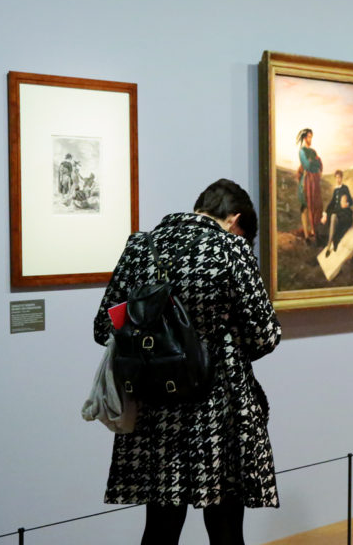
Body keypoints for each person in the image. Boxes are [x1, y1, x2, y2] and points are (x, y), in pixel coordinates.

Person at [93, 178, 282, 545]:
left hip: (154, 404)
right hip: (219, 405)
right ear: (234, 220)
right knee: (226, 527)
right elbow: (265, 335)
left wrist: (155, 339)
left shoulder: (142, 246)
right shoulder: (231, 249)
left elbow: (105, 327)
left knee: (160, 528)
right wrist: (223, 339)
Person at [296, 128, 324, 243]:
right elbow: (307, 165)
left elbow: (319, 165)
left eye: (311, 137)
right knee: (305, 207)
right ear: (304, 138)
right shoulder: (302, 151)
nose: (310, 139)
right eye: (308, 137)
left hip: (314, 182)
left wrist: (315, 162)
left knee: (315, 206)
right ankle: (307, 236)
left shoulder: (312, 151)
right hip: (305, 183)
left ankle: (314, 231)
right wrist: (314, 162)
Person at [321, 169, 353, 257]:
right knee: (332, 217)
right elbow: (332, 203)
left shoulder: (345, 188)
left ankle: (331, 243)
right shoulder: (335, 190)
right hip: (337, 212)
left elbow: (351, 201)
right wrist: (325, 213)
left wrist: (346, 204)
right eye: (336, 178)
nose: (338, 179)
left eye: (339, 177)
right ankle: (329, 245)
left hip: (344, 213)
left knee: (333, 217)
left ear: (342, 178)